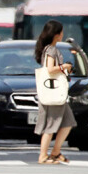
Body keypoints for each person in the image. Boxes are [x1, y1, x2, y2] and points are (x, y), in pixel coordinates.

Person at [34, 20, 77, 165]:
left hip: (56, 94)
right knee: (51, 125)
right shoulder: (51, 50)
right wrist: (64, 66)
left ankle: (56, 152)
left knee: (68, 122)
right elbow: (50, 69)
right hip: (53, 93)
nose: (63, 34)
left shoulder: (48, 49)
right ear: (57, 35)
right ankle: (43, 156)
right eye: (61, 32)